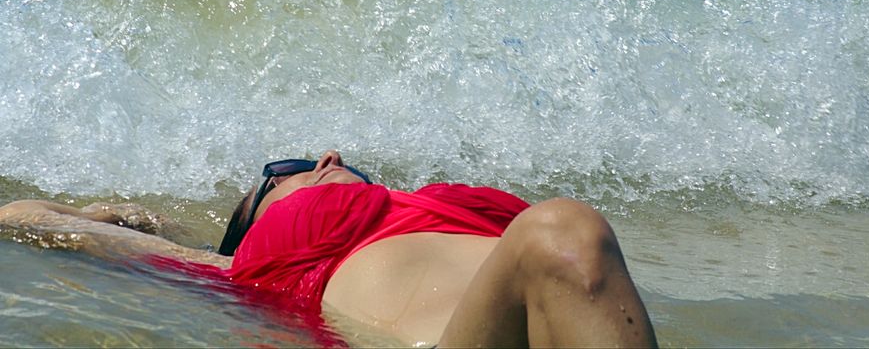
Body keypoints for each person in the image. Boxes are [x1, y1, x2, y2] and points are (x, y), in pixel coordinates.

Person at [0, 150, 658, 348]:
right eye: (288, 168)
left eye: (338, 162)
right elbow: (21, 217)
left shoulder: (442, 210)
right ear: (256, 224)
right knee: (563, 236)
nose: (328, 157)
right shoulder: (246, 268)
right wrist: (122, 215)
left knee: (561, 239)